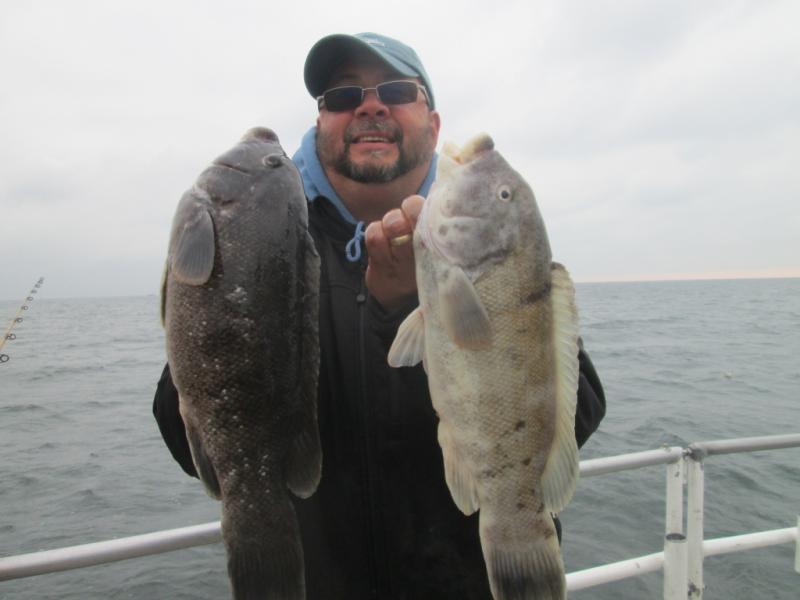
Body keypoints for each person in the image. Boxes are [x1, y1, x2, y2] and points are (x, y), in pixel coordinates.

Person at [153, 32, 606, 599]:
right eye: (343, 96)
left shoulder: (492, 237)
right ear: (321, 124)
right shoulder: (263, 239)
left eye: (395, 90)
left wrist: (410, 307)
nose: (370, 106)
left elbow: (580, 413)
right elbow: (185, 437)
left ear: (433, 126)